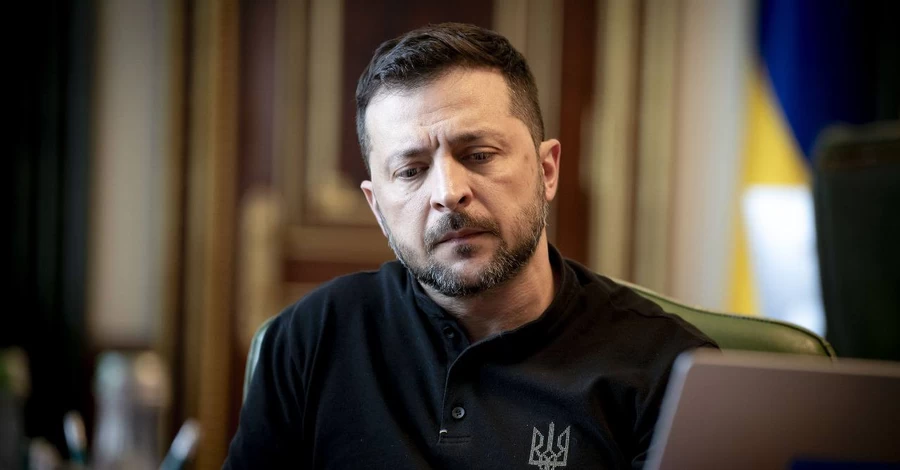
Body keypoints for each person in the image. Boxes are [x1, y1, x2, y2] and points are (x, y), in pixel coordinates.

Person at [224, 23, 716, 469]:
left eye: (479, 155)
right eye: (411, 171)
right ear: (377, 208)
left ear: (547, 171)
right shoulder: (310, 339)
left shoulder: (670, 371)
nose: (447, 193)